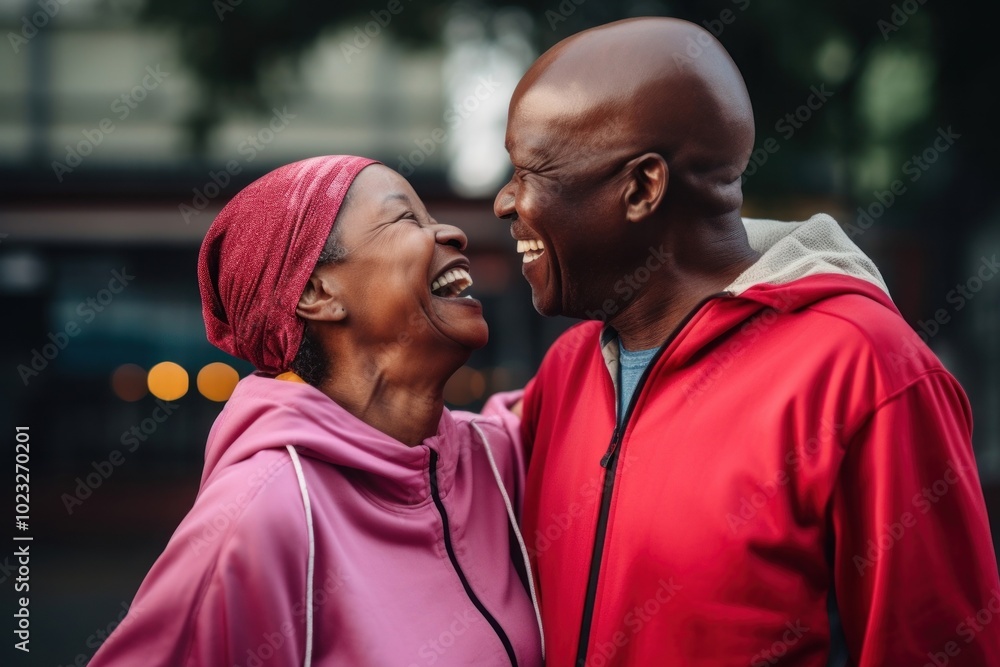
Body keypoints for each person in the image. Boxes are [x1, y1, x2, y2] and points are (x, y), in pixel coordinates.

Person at [494, 17, 1000, 667]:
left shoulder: (867, 369)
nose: (506, 202)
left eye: (531, 171)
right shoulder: (569, 368)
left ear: (643, 187)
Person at [90, 155, 544, 667]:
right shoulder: (255, 518)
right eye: (405, 219)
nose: (453, 234)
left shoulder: (494, 458)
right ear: (317, 292)